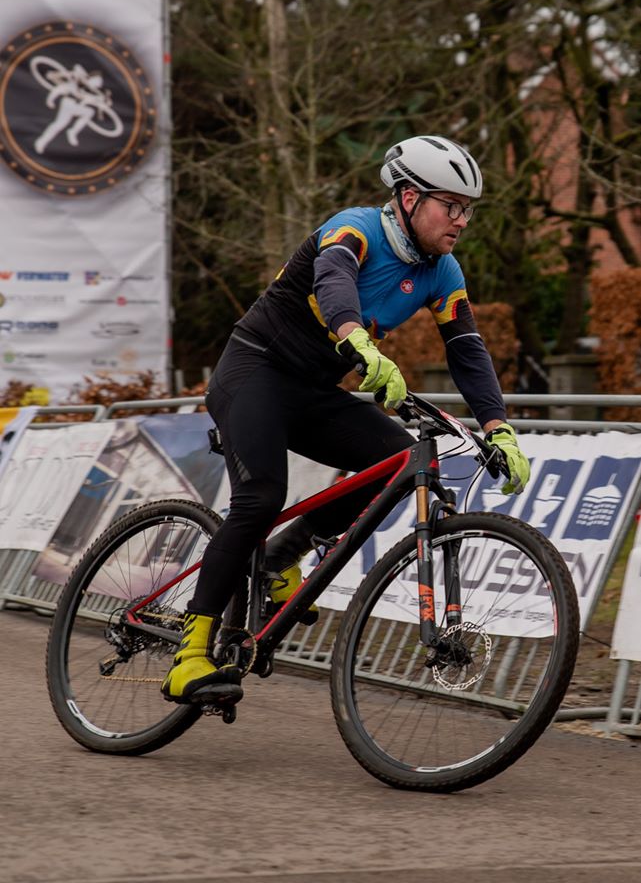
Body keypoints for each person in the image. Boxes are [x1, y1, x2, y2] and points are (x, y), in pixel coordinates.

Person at [161, 135, 531, 706]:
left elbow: (466, 347)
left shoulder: (443, 271)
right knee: (260, 498)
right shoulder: (354, 229)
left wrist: (497, 425)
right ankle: (190, 653)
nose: (461, 220)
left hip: (311, 390)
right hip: (254, 370)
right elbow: (333, 281)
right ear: (409, 198)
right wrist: (357, 339)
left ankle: (282, 557)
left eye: (467, 210)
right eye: (451, 205)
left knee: (395, 462)